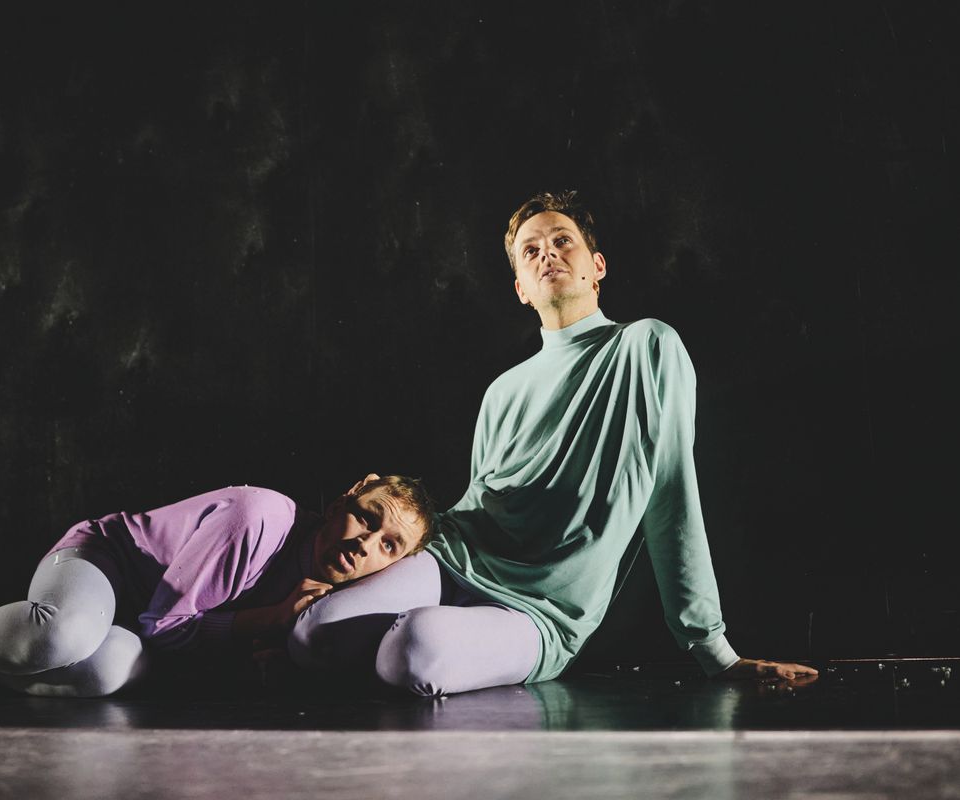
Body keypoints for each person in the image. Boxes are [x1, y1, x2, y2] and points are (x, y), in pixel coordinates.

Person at [289, 191, 818, 696]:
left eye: (563, 241)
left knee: (412, 649)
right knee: (311, 635)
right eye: (531, 250)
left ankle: (397, 645)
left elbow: (673, 489)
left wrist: (712, 648)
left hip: (540, 611)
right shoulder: (503, 390)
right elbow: (476, 506)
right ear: (521, 287)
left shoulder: (645, 345)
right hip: (453, 559)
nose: (548, 254)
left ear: (597, 266)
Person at [0, 474, 434, 697]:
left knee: (105, 671)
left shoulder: (333, 597)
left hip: (141, 631)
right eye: (367, 517)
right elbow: (164, 625)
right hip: (105, 566)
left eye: (389, 546)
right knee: (65, 634)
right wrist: (271, 621)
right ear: (342, 500)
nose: (367, 544)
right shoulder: (261, 517)